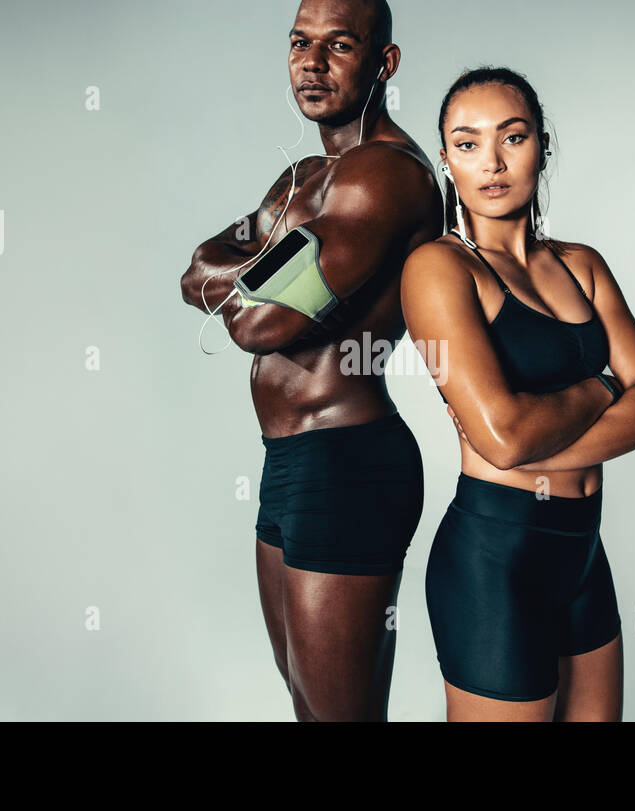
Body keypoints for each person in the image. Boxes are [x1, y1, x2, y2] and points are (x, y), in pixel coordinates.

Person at [179, 0, 442, 721]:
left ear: (383, 63)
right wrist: (262, 273)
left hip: (347, 462)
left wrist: (250, 276)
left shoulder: (382, 179)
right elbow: (193, 271)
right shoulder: (302, 178)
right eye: (299, 43)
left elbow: (258, 321)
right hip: (288, 460)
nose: (311, 62)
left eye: (338, 45)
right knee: (305, 701)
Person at [401, 67, 635, 721]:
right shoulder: (439, 268)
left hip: (583, 555)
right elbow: (505, 438)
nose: (491, 162)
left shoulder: (581, 265)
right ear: (446, 160)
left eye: (513, 137)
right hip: (494, 561)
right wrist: (600, 388)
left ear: (542, 146)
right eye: (467, 144)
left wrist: (533, 434)